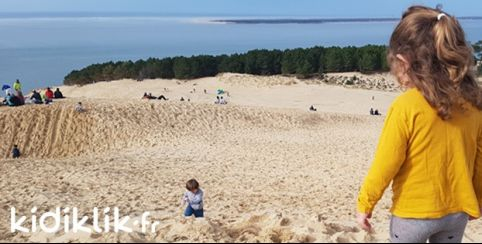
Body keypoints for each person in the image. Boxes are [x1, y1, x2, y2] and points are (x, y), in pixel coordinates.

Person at [356, 6, 482, 243]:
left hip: (413, 215)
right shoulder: (474, 103)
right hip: (457, 212)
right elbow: (479, 159)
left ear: (403, 60)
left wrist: (365, 203)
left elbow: (386, 163)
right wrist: (477, 199)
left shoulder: (406, 106)